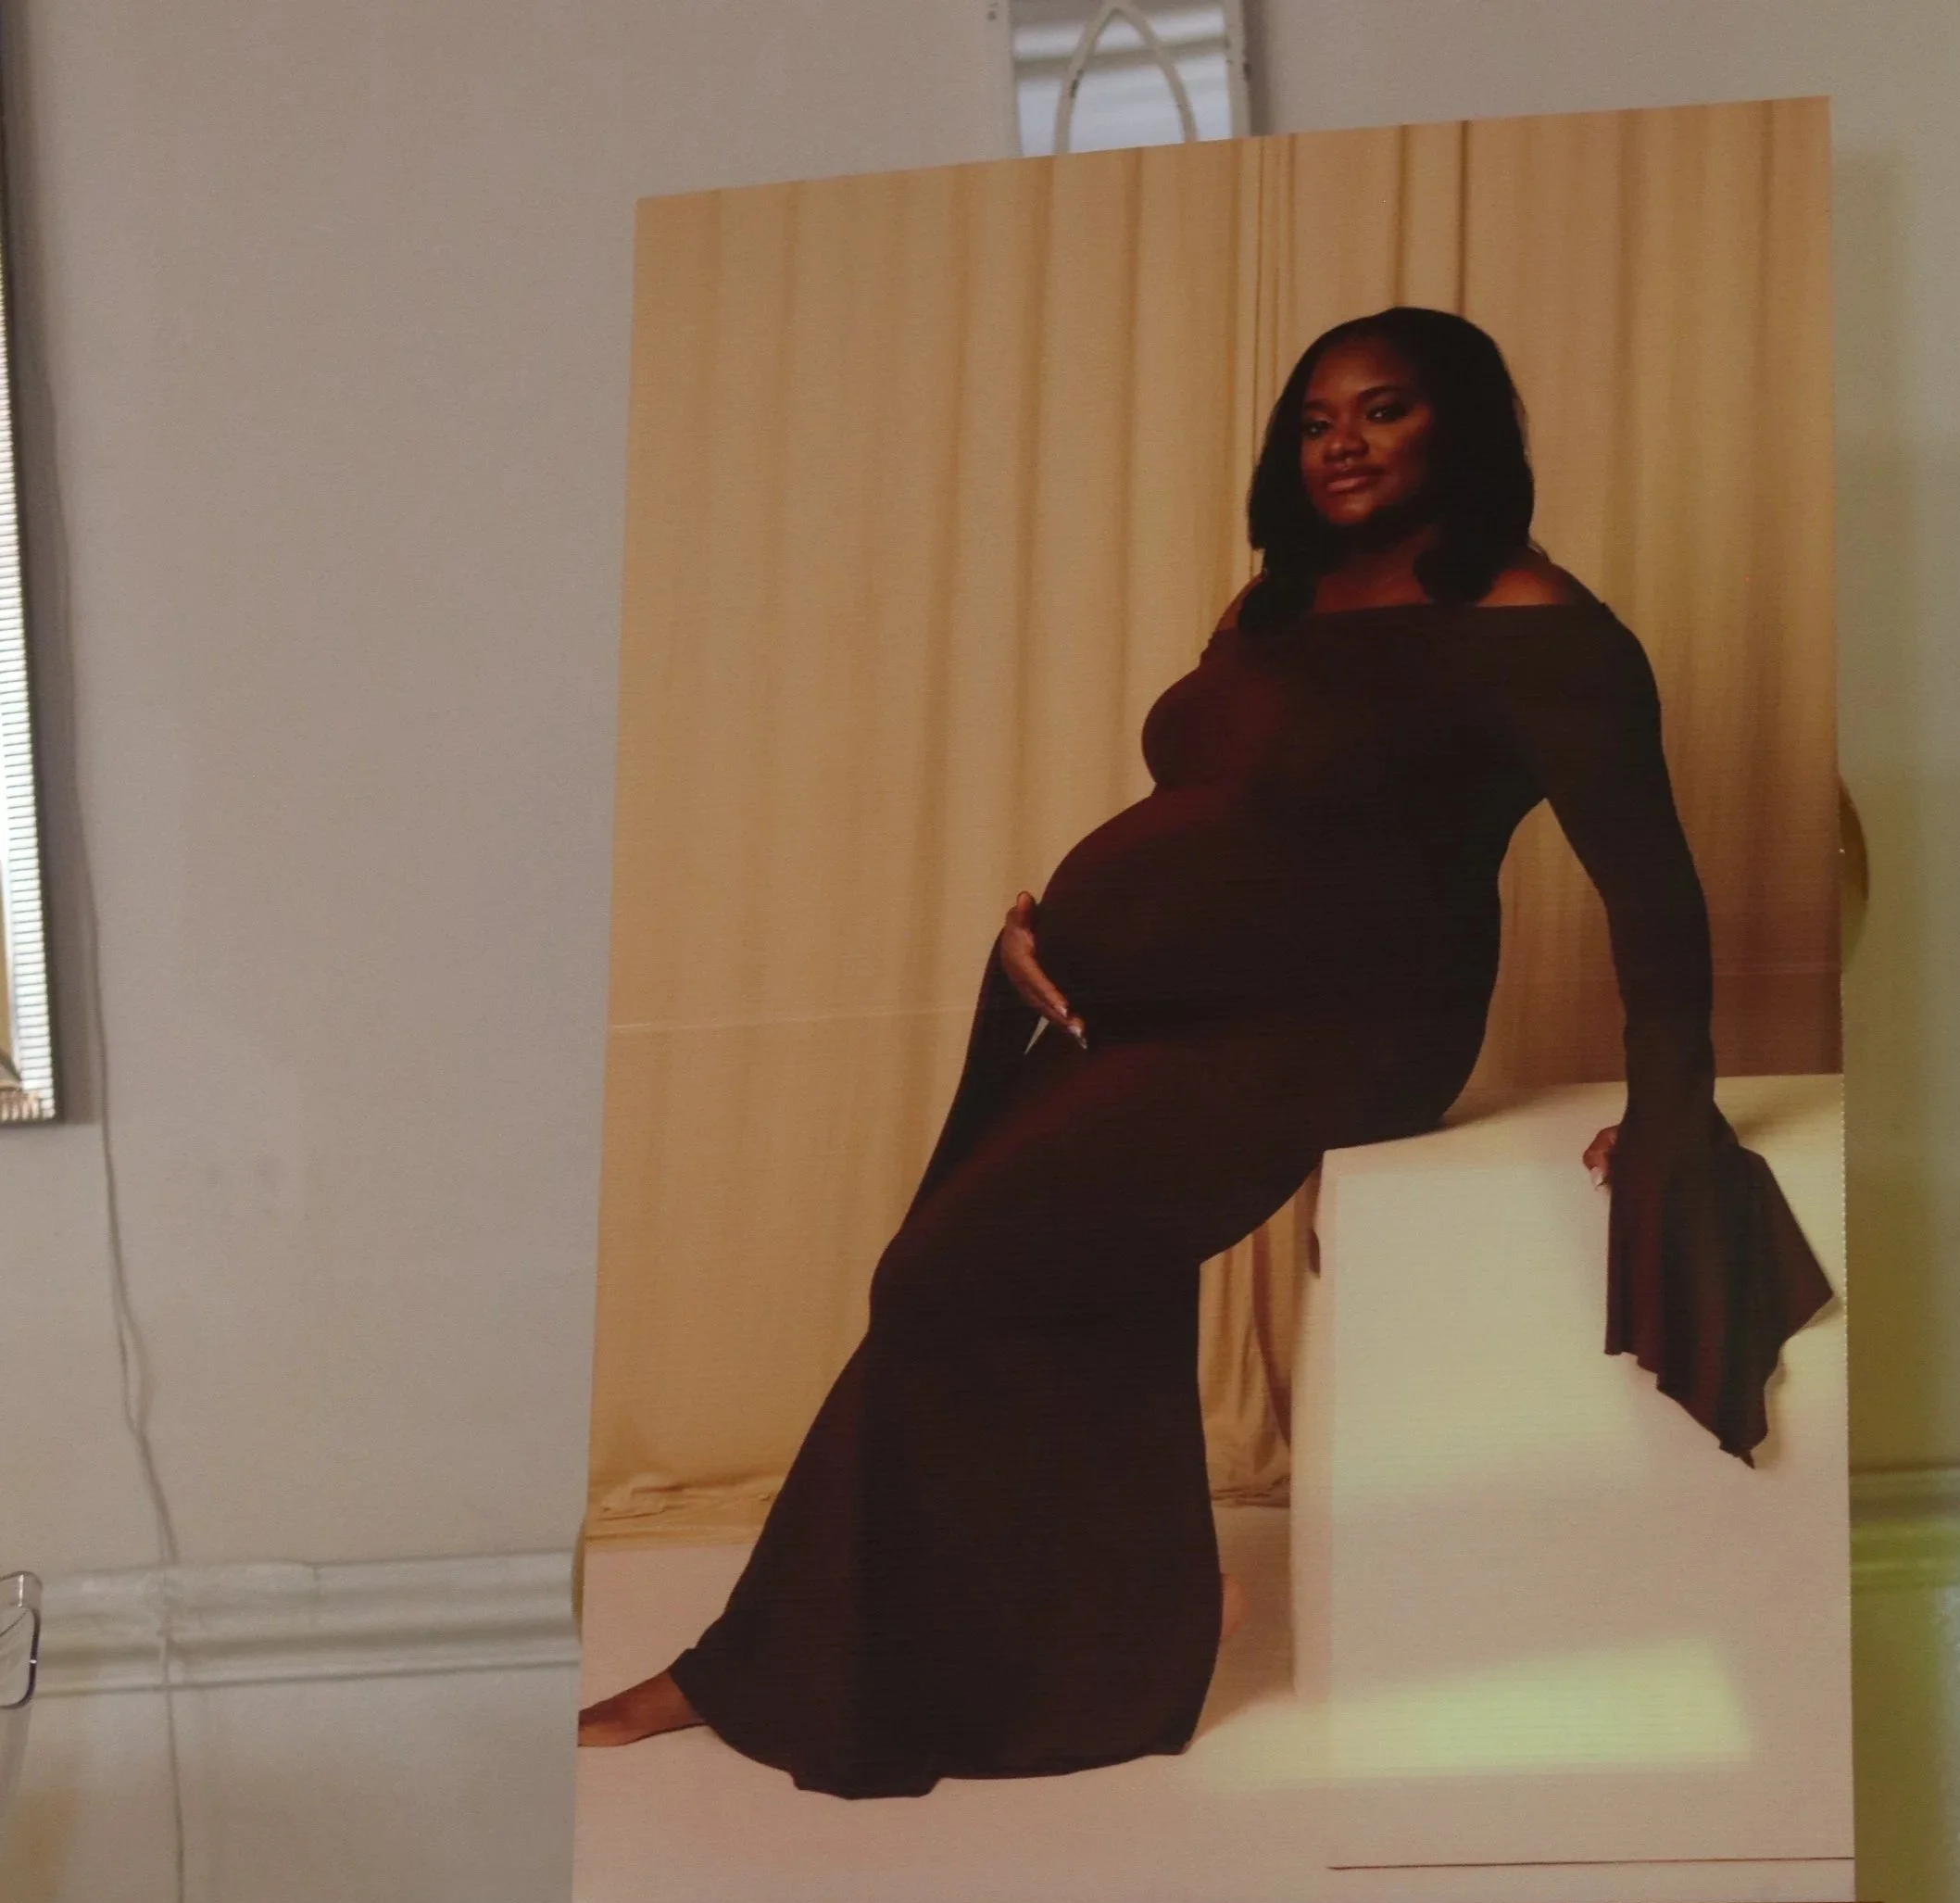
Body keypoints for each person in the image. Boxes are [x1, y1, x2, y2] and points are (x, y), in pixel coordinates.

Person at [580, 307, 1831, 1796]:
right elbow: (1228, 810)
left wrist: (1672, 1107)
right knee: (988, 1264)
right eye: (1315, 421)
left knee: (944, 1274)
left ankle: (959, 1646)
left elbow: (1652, 884)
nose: (1343, 443)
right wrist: (1054, 929)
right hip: (1158, 1008)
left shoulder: (1538, 625)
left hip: (1344, 1025)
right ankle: (950, 1639)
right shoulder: (1270, 608)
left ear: (1464, 431)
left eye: (1384, 411)